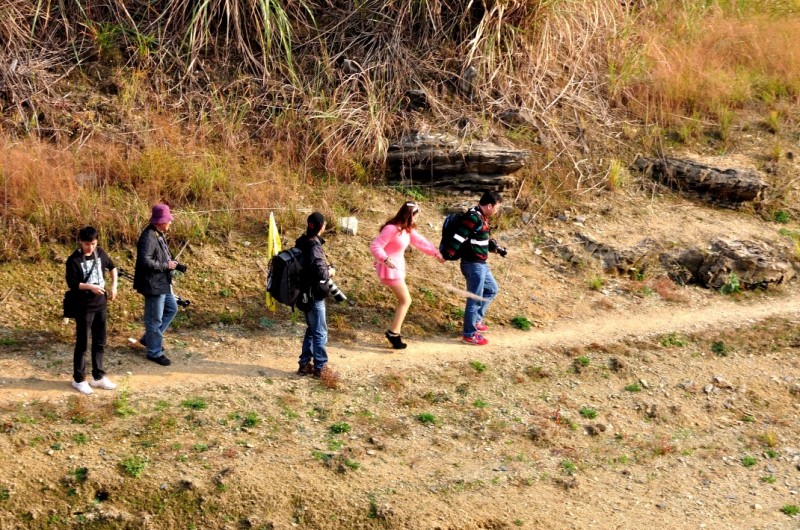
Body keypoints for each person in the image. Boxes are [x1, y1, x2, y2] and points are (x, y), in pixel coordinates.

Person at [370, 201, 445, 349]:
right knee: (406, 300)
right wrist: (385, 259)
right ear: (409, 215)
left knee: (405, 301)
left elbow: (420, 242)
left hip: (396, 269)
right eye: (415, 216)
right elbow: (375, 245)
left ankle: (394, 333)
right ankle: (393, 333)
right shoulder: (391, 229)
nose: (416, 219)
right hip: (389, 270)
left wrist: (436, 254)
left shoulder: (406, 230)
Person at [442, 191, 503, 346]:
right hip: (473, 265)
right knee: (475, 299)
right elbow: (459, 237)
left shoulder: (482, 217)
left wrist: (494, 248)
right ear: (489, 206)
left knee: (492, 289)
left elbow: (477, 239)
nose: (496, 211)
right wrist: (447, 255)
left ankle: (476, 321)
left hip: (481, 264)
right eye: (496, 208)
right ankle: (469, 335)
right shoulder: (473, 217)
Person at [65, 226, 118, 394]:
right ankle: (78, 379)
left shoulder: (100, 253)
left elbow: (112, 267)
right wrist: (90, 287)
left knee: (100, 341)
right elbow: (73, 284)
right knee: (82, 343)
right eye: (87, 244)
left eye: (93, 243)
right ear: (80, 242)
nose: (90, 247)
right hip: (84, 307)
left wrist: (114, 285)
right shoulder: (73, 260)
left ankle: (98, 376)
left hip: (101, 305)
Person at [133, 204, 180, 366]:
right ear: (161, 221)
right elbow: (144, 261)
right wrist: (166, 265)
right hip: (153, 284)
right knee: (154, 319)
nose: (170, 222)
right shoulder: (148, 237)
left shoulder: (158, 234)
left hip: (162, 282)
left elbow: (162, 256)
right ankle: (154, 352)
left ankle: (149, 339)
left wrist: (174, 264)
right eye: (168, 220)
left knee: (172, 309)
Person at [295, 212, 335, 377]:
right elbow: (321, 273)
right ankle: (321, 368)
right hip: (314, 295)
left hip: (303, 293)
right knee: (320, 332)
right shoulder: (314, 246)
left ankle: (305, 364)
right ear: (321, 226)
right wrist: (330, 271)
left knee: (312, 329)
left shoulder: (301, 241)